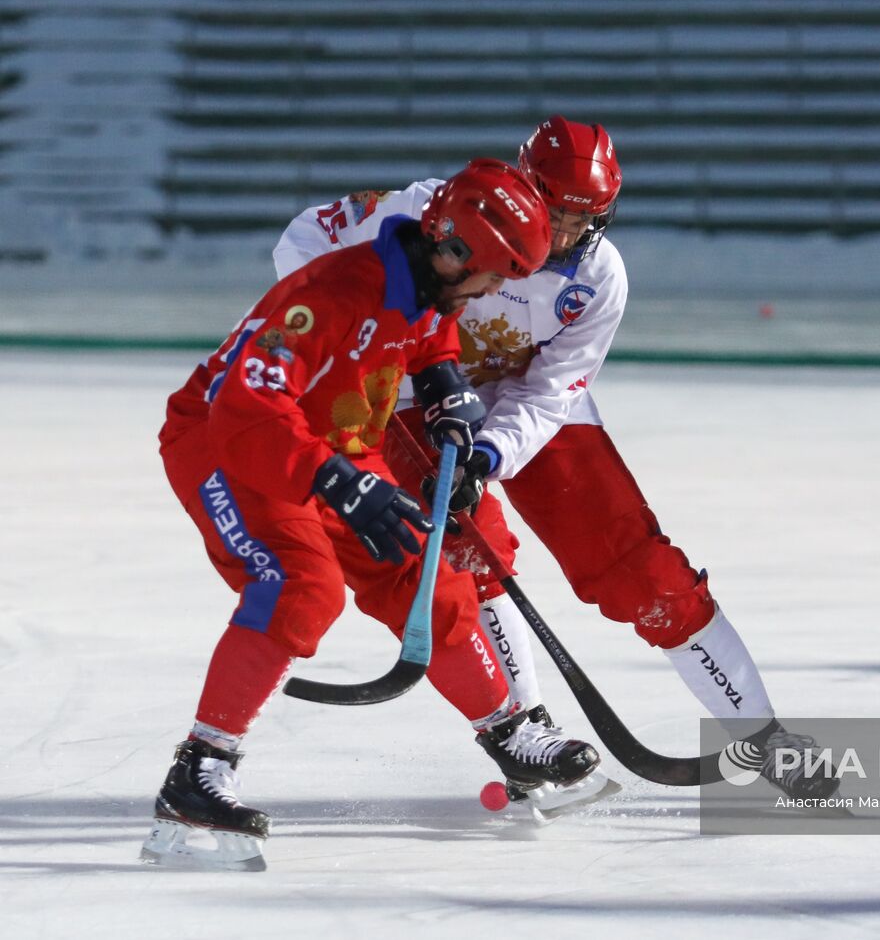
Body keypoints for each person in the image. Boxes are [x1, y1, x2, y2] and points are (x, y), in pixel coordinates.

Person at [273, 116, 838, 801]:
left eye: (585, 219)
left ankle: (761, 733)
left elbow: (549, 390)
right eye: (557, 214)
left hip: (519, 400)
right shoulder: (436, 210)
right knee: (470, 546)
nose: (566, 236)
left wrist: (489, 451)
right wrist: (372, 336)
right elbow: (303, 240)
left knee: (639, 565)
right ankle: (526, 735)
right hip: (418, 389)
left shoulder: (598, 278)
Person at [141, 159, 603, 872]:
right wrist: (336, 482)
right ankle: (199, 770)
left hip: (329, 440)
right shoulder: (328, 293)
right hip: (227, 442)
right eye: (493, 274)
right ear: (454, 253)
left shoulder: (424, 285)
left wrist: (445, 385)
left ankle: (510, 730)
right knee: (302, 587)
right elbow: (245, 405)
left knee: (428, 571)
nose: (493, 293)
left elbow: (425, 334)